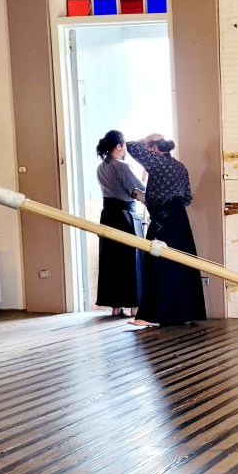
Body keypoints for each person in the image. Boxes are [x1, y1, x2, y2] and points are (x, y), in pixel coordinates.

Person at [125, 134, 206, 327]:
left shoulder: (158, 162)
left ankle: (153, 316)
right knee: (181, 265)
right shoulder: (180, 167)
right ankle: (184, 313)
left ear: (154, 149)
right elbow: (187, 198)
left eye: (150, 148)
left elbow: (131, 147)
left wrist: (148, 138)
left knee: (157, 264)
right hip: (179, 219)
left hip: (162, 220)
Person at [95, 130, 146, 316]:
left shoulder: (101, 167)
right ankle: (135, 306)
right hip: (126, 216)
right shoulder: (122, 166)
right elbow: (138, 190)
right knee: (132, 259)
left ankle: (115, 307)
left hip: (108, 215)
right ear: (119, 146)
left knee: (111, 260)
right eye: (124, 146)